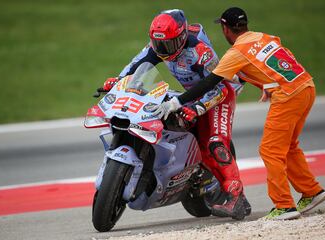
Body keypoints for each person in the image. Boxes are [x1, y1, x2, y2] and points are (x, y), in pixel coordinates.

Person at [153, 7, 325, 220]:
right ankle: (312, 191)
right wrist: (267, 83)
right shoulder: (264, 37)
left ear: (226, 29)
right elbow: (281, 58)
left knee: (270, 151)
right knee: (289, 146)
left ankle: (284, 206)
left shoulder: (236, 53)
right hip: (306, 86)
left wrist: (176, 102)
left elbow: (210, 82)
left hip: (287, 95)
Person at [102, 9, 251, 219]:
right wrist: (116, 83)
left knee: (215, 144)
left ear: (181, 37)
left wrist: (197, 107)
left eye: (168, 45)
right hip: (188, 97)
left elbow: (219, 87)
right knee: (167, 122)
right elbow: (134, 67)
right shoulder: (157, 46)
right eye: (158, 43)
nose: (162, 50)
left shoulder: (200, 52)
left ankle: (237, 198)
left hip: (217, 96)